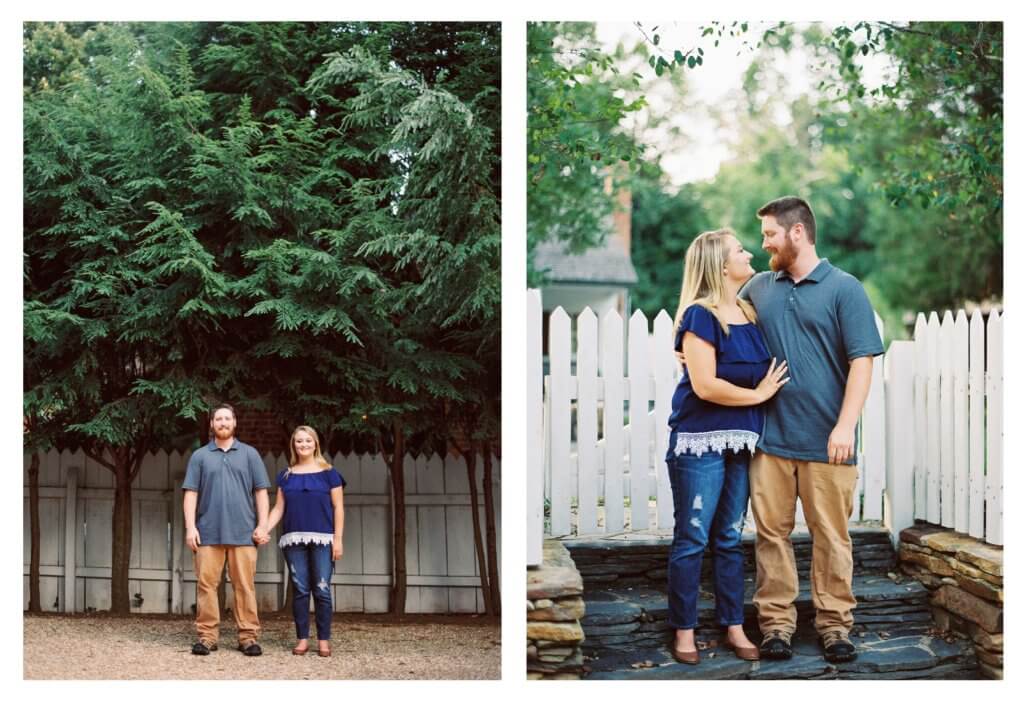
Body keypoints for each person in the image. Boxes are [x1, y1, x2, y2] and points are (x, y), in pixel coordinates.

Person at [741, 196, 884, 663]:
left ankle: (835, 627)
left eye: (770, 235)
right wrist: (689, 345)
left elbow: (861, 362)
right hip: (771, 441)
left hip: (829, 442)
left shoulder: (845, 288)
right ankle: (777, 626)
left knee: (832, 538)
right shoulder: (760, 287)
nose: (764, 245)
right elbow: (717, 318)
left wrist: (846, 426)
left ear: (796, 232)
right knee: (771, 537)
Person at [665, 228, 790, 665]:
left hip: (742, 442)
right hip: (700, 441)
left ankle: (733, 624)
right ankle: (683, 631)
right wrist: (757, 396)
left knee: (729, 538)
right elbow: (704, 385)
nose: (749, 252)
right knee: (693, 537)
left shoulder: (749, 313)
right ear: (720, 264)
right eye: (740, 249)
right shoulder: (700, 316)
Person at [183, 403, 270, 656]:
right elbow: (191, 493)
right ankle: (207, 637)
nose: (222, 423)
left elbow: (261, 492)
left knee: (244, 586)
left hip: (244, 533)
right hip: (208, 532)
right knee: (207, 586)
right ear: (211, 424)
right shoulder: (200, 456)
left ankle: (248, 637)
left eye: (227, 418)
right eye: (218, 419)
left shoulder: (250, 454)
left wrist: (263, 525)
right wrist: (191, 528)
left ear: (235, 423)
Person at [260, 425, 345, 657]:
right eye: (299, 441)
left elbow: (338, 508)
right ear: (293, 445)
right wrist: (264, 528)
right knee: (300, 589)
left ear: (315, 443)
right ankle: (302, 639)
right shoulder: (286, 475)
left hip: (323, 539)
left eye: (308, 440)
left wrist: (338, 540)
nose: (303, 445)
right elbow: (279, 508)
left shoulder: (330, 473)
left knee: (322, 589)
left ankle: (324, 640)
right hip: (293, 538)